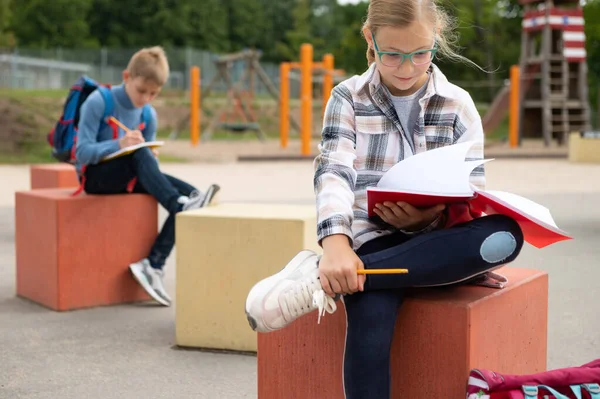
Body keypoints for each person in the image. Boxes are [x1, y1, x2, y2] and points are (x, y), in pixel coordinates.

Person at [244, 0, 525, 398]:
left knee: (506, 236)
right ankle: (346, 274)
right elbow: (333, 172)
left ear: (436, 41)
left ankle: (326, 283)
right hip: (371, 238)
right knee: (370, 328)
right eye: (392, 55)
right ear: (370, 42)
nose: (407, 68)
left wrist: (427, 218)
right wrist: (337, 246)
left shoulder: (458, 104)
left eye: (420, 54)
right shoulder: (348, 97)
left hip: (436, 238)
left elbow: (472, 189)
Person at [75, 46, 219, 307]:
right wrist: (119, 144)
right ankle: (176, 206)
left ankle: (153, 264)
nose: (146, 98)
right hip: (96, 179)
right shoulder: (99, 101)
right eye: (142, 91)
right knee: (147, 164)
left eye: (153, 94)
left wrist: (151, 158)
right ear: (126, 76)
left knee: (194, 195)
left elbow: (147, 159)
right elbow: (82, 152)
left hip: (131, 175)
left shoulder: (147, 114)